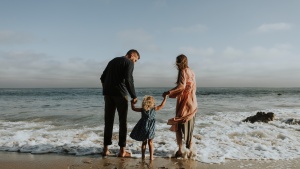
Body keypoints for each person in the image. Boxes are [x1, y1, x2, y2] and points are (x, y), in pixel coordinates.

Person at [100, 49, 140, 157]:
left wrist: (106, 90)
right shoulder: (129, 62)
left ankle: (105, 150)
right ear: (132, 55)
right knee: (123, 122)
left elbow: (102, 78)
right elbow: (128, 79)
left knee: (108, 122)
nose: (134, 62)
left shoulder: (112, 61)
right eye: (135, 60)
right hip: (121, 95)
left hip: (108, 95)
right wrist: (134, 95)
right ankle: (122, 151)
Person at [163, 54, 197, 158]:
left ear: (179, 62)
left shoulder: (183, 71)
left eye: (177, 62)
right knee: (189, 127)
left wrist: (168, 92)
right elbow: (193, 88)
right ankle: (190, 150)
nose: (176, 64)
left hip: (185, 103)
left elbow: (181, 86)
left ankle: (180, 150)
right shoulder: (192, 71)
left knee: (178, 125)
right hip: (193, 101)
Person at [130, 95, 167, 160]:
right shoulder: (154, 108)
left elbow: (134, 109)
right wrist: (165, 98)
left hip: (143, 127)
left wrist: (132, 103)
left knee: (144, 142)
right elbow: (162, 105)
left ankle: (143, 156)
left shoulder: (142, 109)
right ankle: (151, 157)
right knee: (150, 142)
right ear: (152, 102)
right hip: (151, 128)